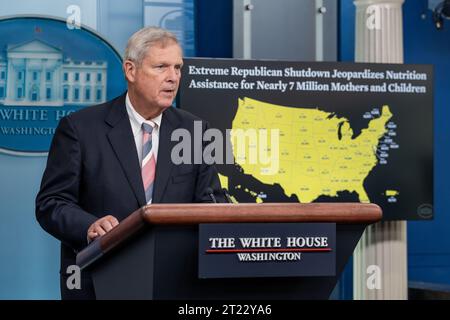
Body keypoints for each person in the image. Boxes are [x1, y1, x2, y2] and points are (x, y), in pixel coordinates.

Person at [35, 27, 224, 300]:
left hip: (176, 283)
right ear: (130, 70)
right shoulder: (80, 129)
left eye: (178, 68)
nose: (173, 78)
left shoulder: (196, 130)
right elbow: (51, 203)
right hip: (101, 281)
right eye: (161, 67)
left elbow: (211, 203)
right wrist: (89, 226)